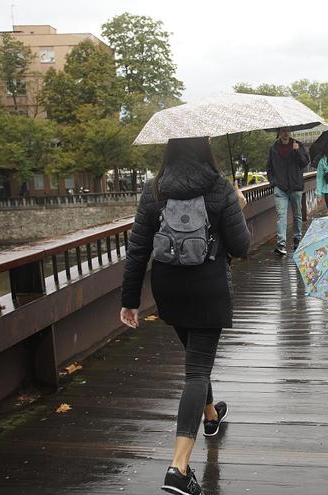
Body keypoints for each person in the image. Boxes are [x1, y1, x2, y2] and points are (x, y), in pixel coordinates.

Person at [120, 137, 250, 495]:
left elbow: (137, 250)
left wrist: (129, 299)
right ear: (204, 150)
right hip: (208, 287)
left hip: (169, 289)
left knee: (196, 358)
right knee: (196, 370)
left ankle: (210, 416)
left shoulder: (154, 189)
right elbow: (241, 248)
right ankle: (178, 468)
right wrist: (236, 204)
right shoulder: (220, 187)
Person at [266, 127, 310, 256]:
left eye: (288, 130)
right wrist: (273, 182)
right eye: (283, 131)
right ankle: (281, 244)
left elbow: (304, 164)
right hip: (280, 187)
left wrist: (297, 151)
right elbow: (269, 168)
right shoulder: (273, 148)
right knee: (281, 215)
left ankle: (297, 238)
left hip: (295, 186)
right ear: (279, 132)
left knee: (297, 214)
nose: (286, 133)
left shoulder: (298, 145)